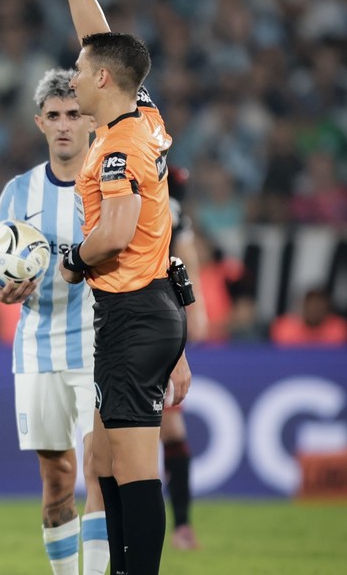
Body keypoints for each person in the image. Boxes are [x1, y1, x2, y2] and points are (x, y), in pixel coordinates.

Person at [52, 0, 192, 573]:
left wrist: (72, 260)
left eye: (80, 72)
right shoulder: (144, 116)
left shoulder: (117, 151)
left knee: (135, 471)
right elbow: (99, 39)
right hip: (145, 311)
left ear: (104, 80)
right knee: (103, 460)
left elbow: (114, 233)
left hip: (133, 317)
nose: (74, 77)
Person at [0, 68, 109, 575]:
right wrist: (0, 289)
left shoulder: (108, 185)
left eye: (73, 114)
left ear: (91, 122)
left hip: (99, 345)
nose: (63, 125)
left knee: (100, 471)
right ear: (40, 123)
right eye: (54, 115)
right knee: (57, 478)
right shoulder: (19, 192)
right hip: (37, 346)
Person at [161, 166, 203, 551]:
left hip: (139, 326)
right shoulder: (173, 214)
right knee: (168, 432)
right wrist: (197, 313)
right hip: (156, 325)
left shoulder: (159, 208)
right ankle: (182, 527)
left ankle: (180, 526)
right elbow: (187, 262)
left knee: (164, 432)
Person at [270, 287, 347, 346]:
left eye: (319, 307)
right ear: (303, 306)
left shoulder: (339, 329)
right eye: (311, 306)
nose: (314, 310)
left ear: (327, 309)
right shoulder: (285, 329)